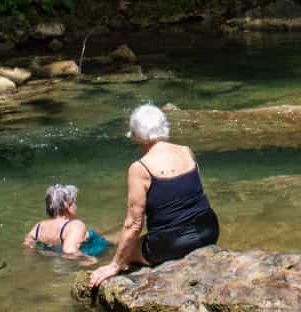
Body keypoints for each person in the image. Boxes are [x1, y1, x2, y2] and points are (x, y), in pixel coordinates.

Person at [88, 104, 220, 287]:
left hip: (173, 244)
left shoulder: (140, 168)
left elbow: (134, 225)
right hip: (209, 232)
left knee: (123, 251)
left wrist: (115, 265)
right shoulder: (186, 150)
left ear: (136, 135)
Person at [23, 184, 110, 259]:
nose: (76, 206)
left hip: (57, 258)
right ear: (67, 206)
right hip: (100, 246)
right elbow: (69, 251)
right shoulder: (75, 225)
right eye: (74, 202)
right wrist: (88, 259)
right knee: (112, 239)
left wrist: (47, 253)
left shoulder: (38, 227)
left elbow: (27, 245)